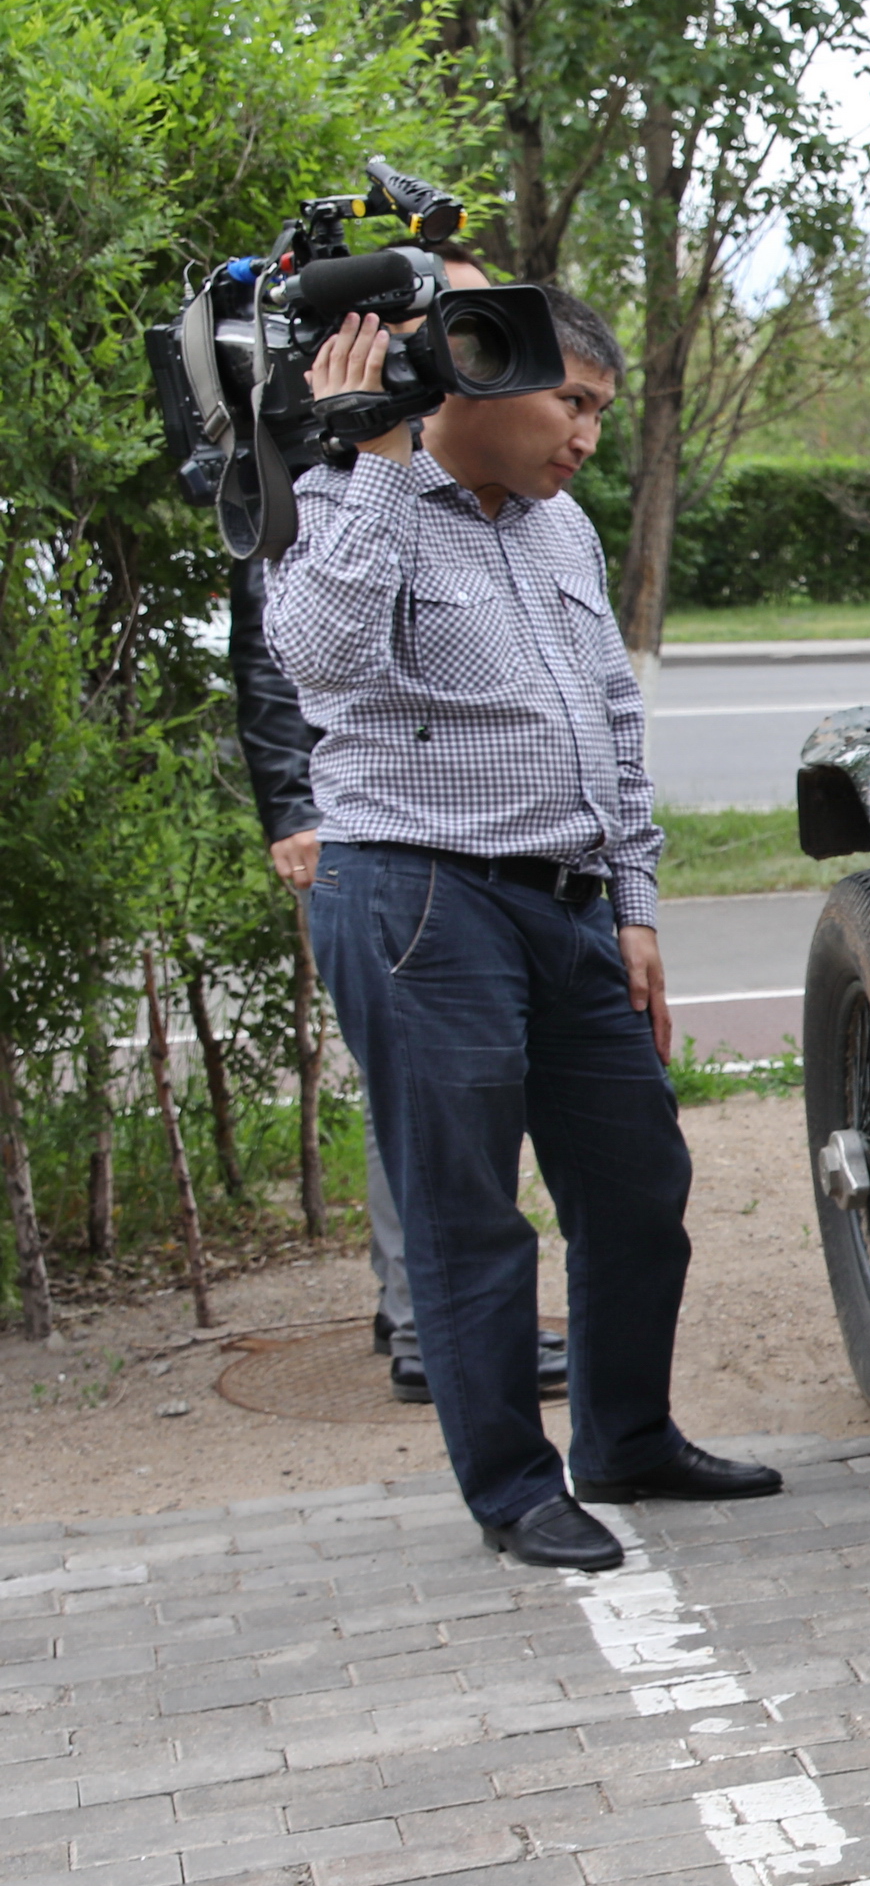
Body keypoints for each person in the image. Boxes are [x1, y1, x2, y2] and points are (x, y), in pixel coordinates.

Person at [270, 287, 780, 1569]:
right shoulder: (342, 496)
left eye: (601, 411)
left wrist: (637, 906)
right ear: (480, 384)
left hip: (567, 902)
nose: (588, 437)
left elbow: (611, 716)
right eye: (575, 404)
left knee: (637, 1180)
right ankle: (512, 1488)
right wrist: (375, 454)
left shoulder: (561, 532)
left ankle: (626, 1438)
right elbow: (321, 660)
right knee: (467, 1209)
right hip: (419, 897)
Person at [235, 245, 569, 1411]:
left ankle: (438, 1319)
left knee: (475, 1123)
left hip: (508, 869)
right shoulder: (325, 467)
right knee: (426, 1122)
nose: (466, 338)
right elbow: (288, 660)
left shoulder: (511, 503)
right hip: (373, 844)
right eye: (446, 313)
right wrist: (295, 808)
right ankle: (427, 1327)